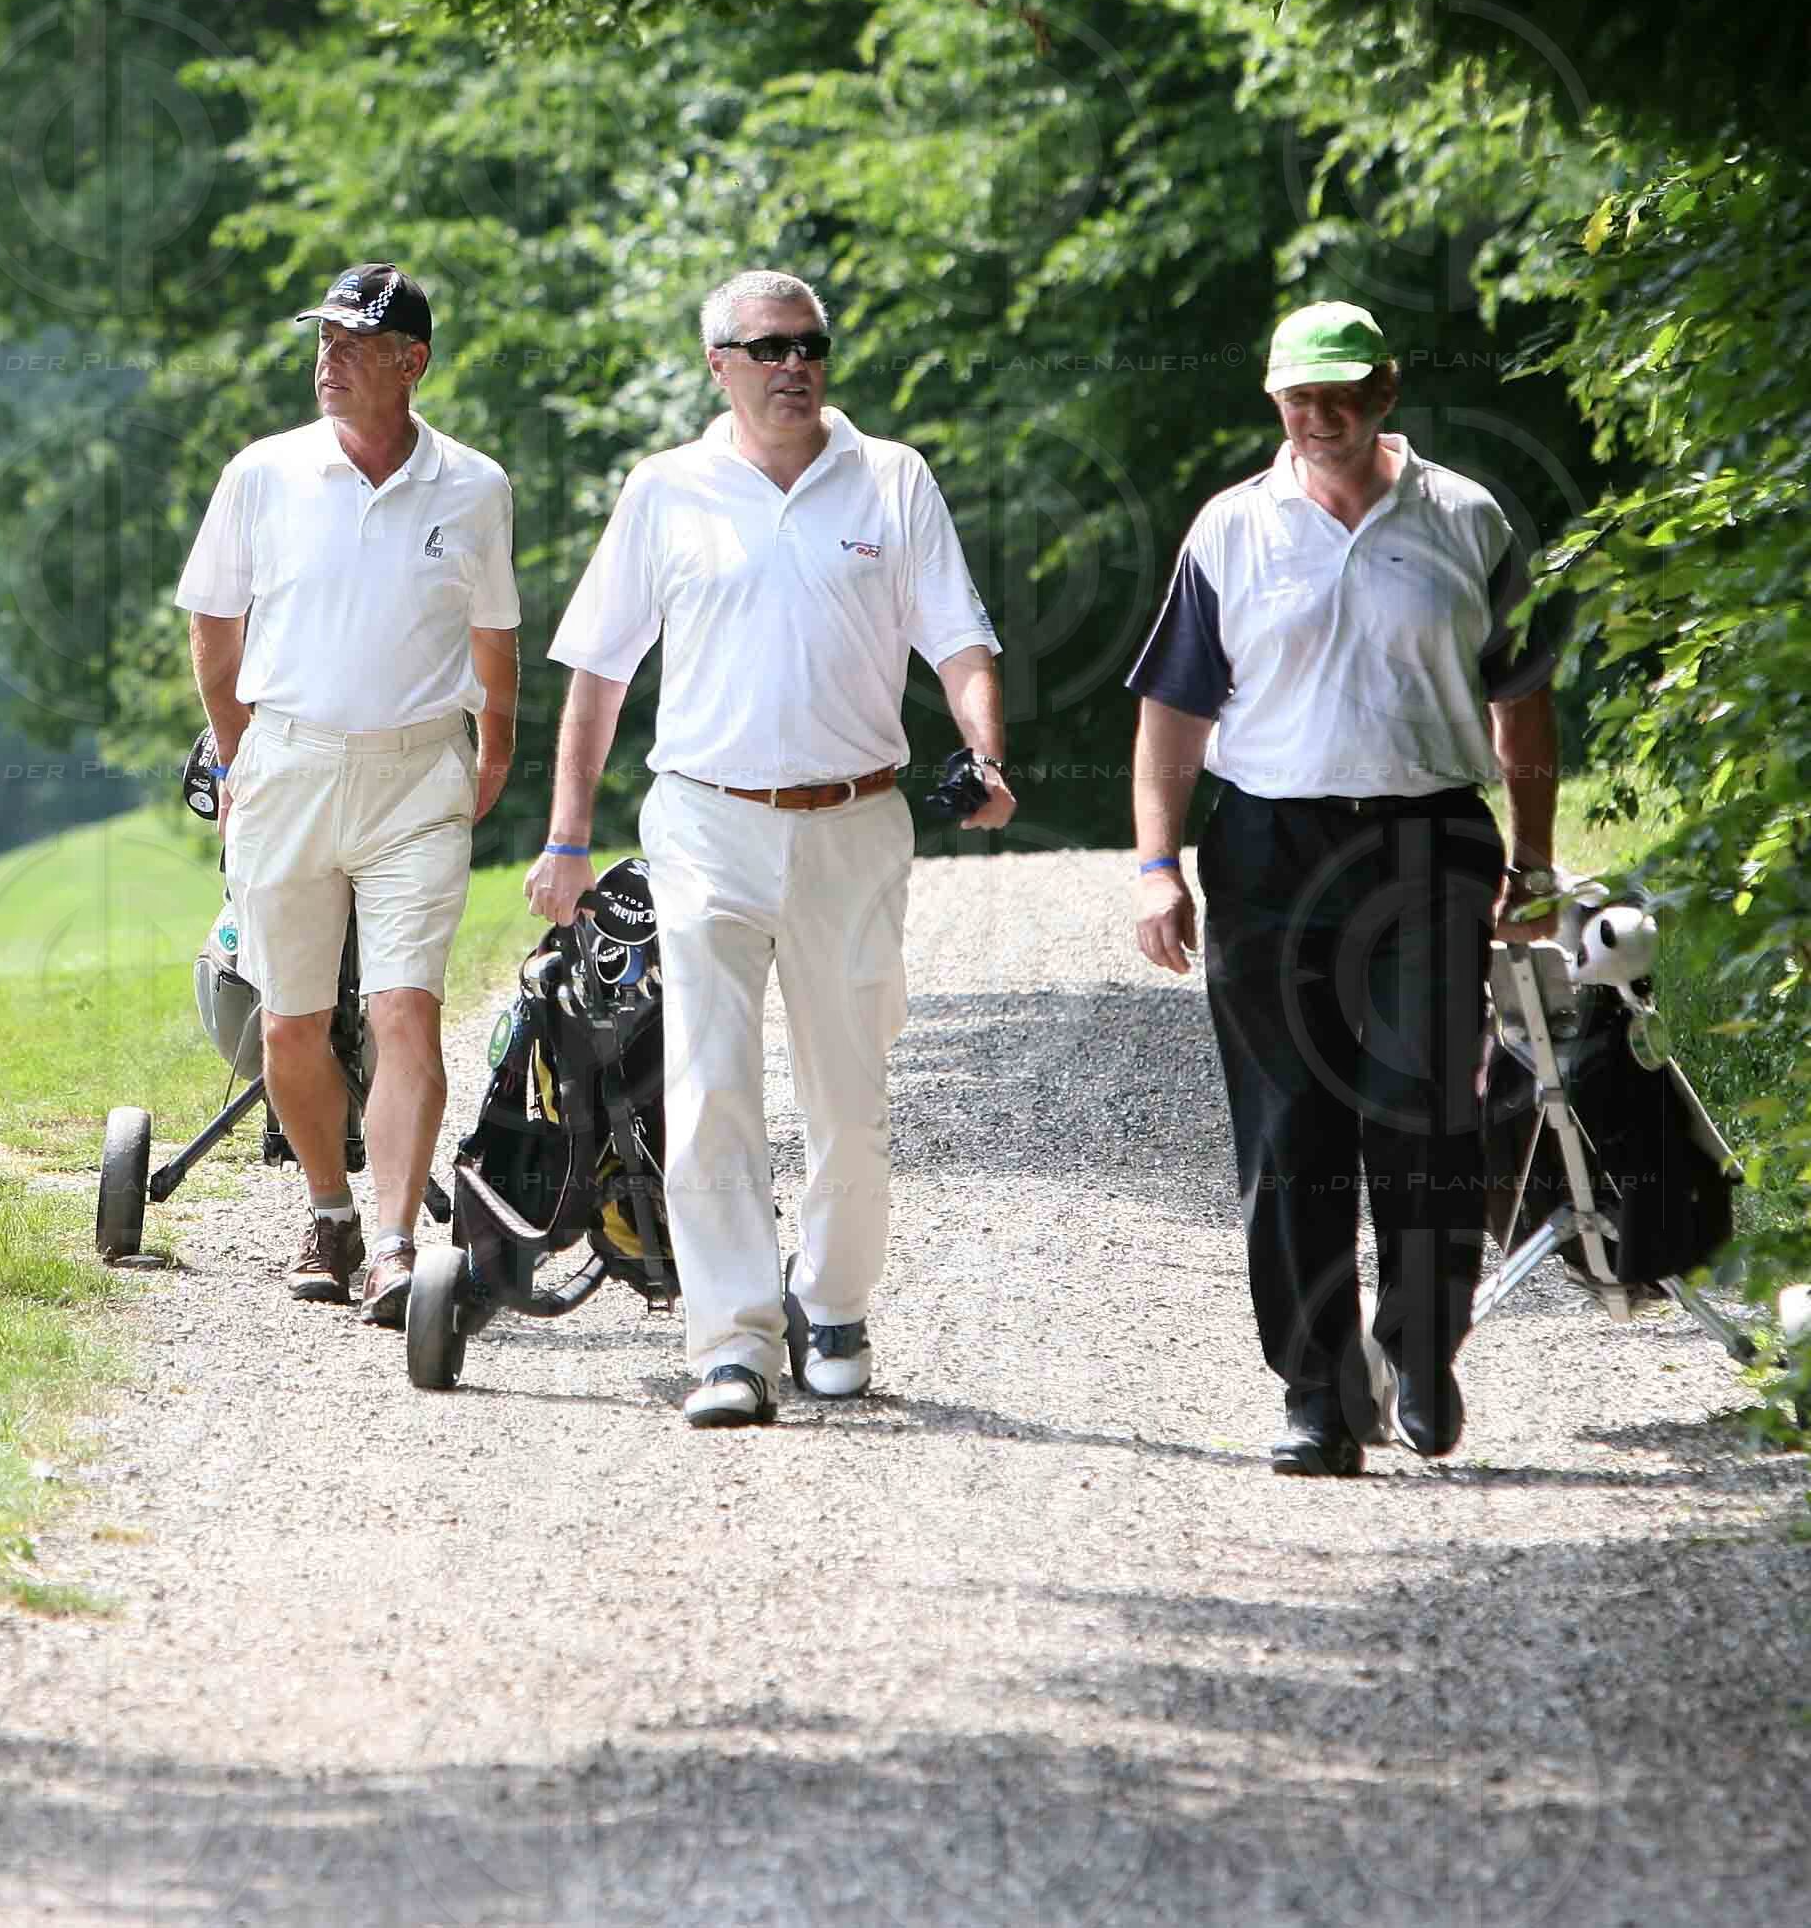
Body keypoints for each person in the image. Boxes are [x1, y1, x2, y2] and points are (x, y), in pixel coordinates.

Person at [529, 270, 1012, 1429]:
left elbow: (959, 639)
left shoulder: (892, 478)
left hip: (855, 820)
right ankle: (733, 1339)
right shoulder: (666, 490)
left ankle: (833, 1304)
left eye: (811, 344)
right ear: (720, 365)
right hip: (705, 820)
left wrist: (985, 755)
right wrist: (566, 838)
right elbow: (599, 675)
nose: (794, 364)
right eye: (768, 347)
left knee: (851, 1087)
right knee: (707, 1086)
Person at [1128, 299, 1558, 1475]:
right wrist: (1159, 865)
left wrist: (1534, 857)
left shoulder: (1467, 516)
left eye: (1337, 395)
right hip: (1272, 843)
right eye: (1294, 398)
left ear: (1385, 393)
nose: (1315, 418)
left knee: (1425, 1106)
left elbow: (1522, 695)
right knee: (1288, 1129)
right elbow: (1172, 709)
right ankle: (1319, 1391)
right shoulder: (1232, 527)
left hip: (1430, 838)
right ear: (1273, 402)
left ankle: (1421, 1347)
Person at [177, 264, 520, 1327]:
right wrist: (238, 759)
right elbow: (214, 629)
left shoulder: (475, 486)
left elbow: (494, 636)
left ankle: (394, 1242)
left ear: (411, 362)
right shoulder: (263, 474)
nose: (329, 360)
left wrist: (492, 754)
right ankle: (326, 1207)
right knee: (291, 1025)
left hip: (420, 773)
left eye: (354, 343)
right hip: (286, 766)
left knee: (406, 1010)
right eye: (323, 341)